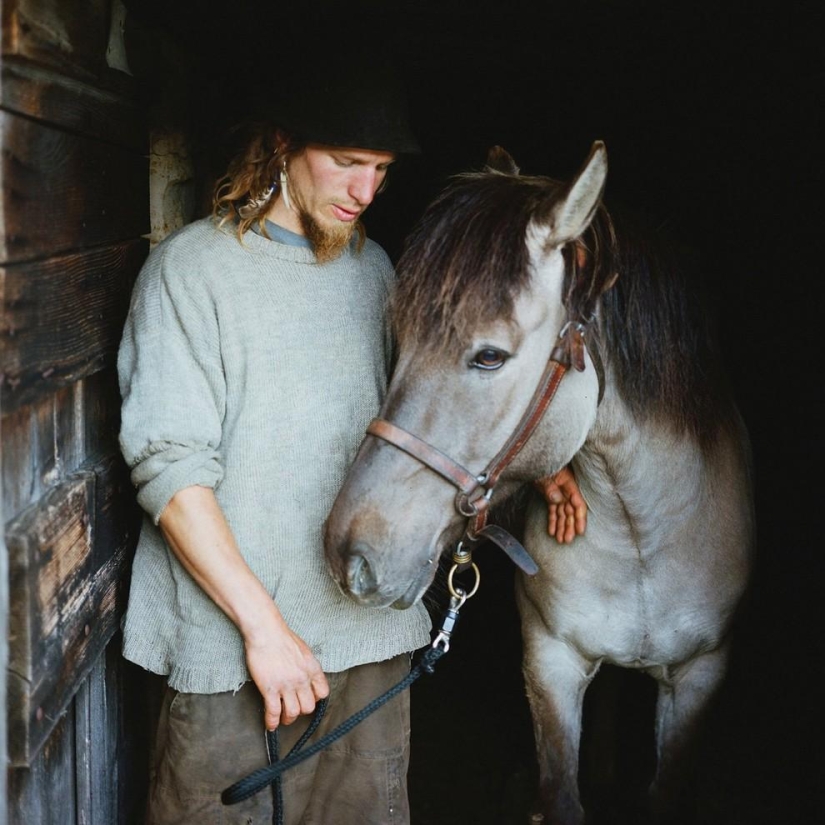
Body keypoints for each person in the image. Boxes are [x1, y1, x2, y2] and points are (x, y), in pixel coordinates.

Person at [117, 59, 587, 825]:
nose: (365, 193)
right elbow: (169, 470)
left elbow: (437, 413)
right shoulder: (190, 272)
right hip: (226, 648)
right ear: (280, 146)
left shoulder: (378, 273)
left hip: (364, 635)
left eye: (380, 170)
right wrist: (265, 633)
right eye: (345, 162)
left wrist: (538, 474)